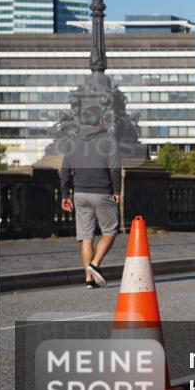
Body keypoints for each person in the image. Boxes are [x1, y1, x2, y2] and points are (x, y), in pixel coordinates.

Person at [59, 106, 122, 289]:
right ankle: (95, 265)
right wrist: (117, 191)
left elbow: (65, 171)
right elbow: (115, 169)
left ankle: (89, 279)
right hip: (102, 191)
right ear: (99, 120)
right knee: (110, 231)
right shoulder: (108, 138)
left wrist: (65, 194)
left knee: (86, 237)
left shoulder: (73, 140)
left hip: (79, 193)